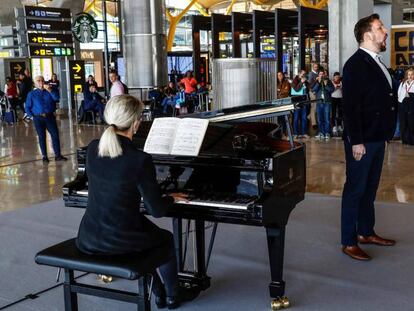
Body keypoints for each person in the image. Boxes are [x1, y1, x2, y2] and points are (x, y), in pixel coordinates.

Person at [76, 95, 199, 308]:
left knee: (147, 236)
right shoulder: (139, 159)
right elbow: (157, 210)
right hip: (120, 238)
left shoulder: (94, 147)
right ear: (136, 123)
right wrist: (171, 197)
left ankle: (160, 291)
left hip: (88, 235)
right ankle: (173, 295)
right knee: (165, 239)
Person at [341, 14, 397, 261]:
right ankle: (348, 241)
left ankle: (366, 231)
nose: (385, 31)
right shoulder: (355, 64)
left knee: (370, 189)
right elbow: (351, 107)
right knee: (355, 190)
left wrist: (384, 133)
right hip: (362, 140)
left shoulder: (376, 62)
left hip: (377, 137)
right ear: (367, 35)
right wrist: (357, 141)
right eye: (380, 28)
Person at [25, 76, 67, 163]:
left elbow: (57, 98)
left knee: (55, 135)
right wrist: (32, 117)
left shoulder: (50, 90)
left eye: (42, 80)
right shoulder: (32, 94)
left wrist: (50, 90)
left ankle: (58, 155)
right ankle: (44, 156)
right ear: (35, 83)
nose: (41, 82)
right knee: (41, 137)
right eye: (38, 81)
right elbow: (27, 107)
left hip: (50, 117)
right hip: (38, 118)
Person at [312, 69, 334, 140]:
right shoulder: (316, 81)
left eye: (323, 74)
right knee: (319, 119)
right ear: (318, 75)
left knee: (327, 119)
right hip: (319, 102)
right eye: (320, 74)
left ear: (325, 75)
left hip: (327, 102)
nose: (322, 75)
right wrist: (318, 83)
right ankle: (321, 132)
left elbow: (332, 90)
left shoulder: (328, 81)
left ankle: (327, 133)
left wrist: (326, 85)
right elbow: (314, 90)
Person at [291, 70, 310, 138]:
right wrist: (301, 82)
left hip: (304, 102)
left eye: (305, 74)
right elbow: (296, 89)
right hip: (296, 102)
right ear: (299, 74)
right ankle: (296, 133)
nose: (303, 75)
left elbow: (309, 88)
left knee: (304, 118)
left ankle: (304, 133)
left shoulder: (305, 80)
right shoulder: (295, 80)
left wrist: (306, 83)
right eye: (302, 74)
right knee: (296, 118)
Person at [397, 67, 414, 145]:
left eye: (411, 75)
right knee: (403, 123)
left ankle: (411, 140)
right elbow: (399, 93)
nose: (410, 76)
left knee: (411, 123)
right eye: (408, 74)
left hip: (411, 105)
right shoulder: (403, 83)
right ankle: (404, 140)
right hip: (402, 104)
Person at [331, 72, 343, 136]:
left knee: (340, 112)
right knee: (333, 112)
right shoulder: (331, 82)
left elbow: (343, 90)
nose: (337, 78)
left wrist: (341, 88)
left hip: (340, 98)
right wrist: (335, 87)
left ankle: (339, 125)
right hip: (333, 98)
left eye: (338, 77)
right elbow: (330, 90)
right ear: (333, 77)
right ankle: (333, 126)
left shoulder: (341, 82)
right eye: (336, 77)